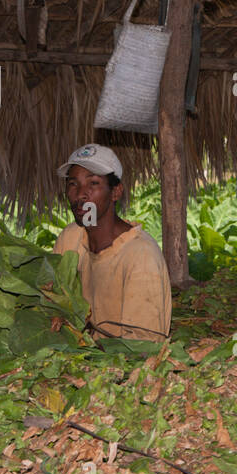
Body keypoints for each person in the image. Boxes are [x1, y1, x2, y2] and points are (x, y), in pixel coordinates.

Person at [54, 143, 171, 342]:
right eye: (73, 184)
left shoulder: (141, 255)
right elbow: (51, 295)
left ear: (116, 192)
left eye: (93, 183)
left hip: (116, 364)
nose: (81, 194)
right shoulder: (71, 237)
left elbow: (143, 345)